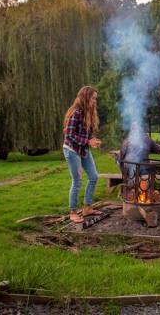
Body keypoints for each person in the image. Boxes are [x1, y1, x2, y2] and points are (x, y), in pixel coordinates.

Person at [62, 86, 102, 223]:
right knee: (77, 180)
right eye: (93, 98)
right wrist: (87, 141)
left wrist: (92, 140)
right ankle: (73, 212)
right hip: (72, 149)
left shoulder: (89, 112)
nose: (94, 101)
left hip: (83, 149)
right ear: (85, 98)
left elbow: (87, 133)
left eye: (95, 98)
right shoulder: (77, 112)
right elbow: (69, 134)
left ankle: (87, 207)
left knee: (94, 176)